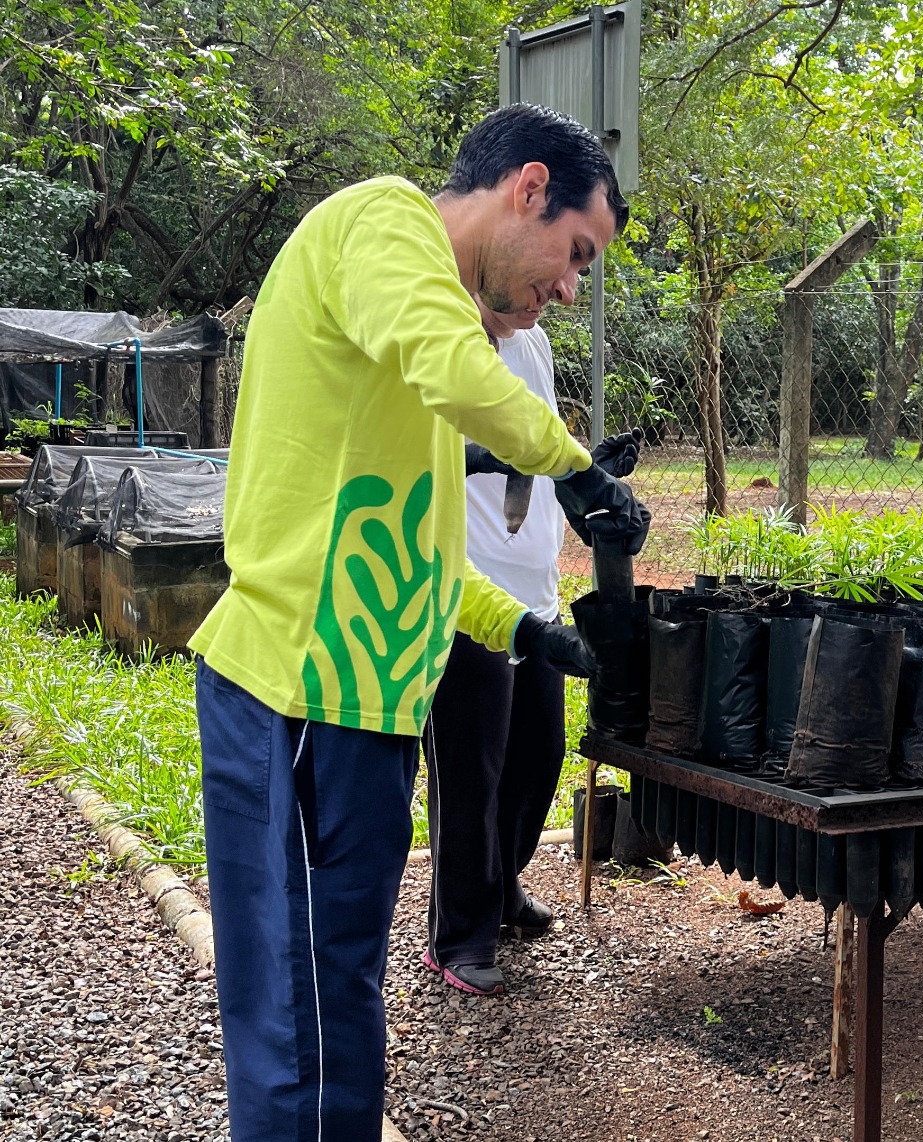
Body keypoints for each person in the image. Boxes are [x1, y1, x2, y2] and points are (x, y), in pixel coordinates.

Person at [188, 104, 648, 1141]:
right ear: (527, 187)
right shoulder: (381, 226)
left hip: (364, 706)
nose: (571, 286)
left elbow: (422, 556)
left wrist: (528, 635)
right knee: (298, 1016)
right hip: (293, 692)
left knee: (340, 989)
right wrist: (569, 465)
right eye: (576, 252)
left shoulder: (424, 350)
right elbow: (452, 367)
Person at [422, 293, 642, 997]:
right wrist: (480, 458)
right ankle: (457, 933)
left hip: (534, 587)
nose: (564, 287)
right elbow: (414, 454)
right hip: (466, 591)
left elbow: (539, 447)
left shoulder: (534, 343)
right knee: (470, 774)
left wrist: (588, 467)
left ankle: (502, 886)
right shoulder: (445, 339)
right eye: (565, 259)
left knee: (535, 759)